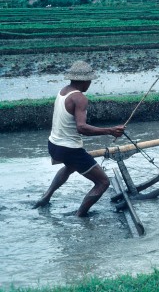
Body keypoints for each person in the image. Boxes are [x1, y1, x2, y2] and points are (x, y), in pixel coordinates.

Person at [33, 60, 125, 217]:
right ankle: (80, 215)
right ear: (84, 81)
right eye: (89, 81)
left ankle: (45, 197)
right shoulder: (80, 98)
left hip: (54, 144)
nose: (90, 84)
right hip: (70, 149)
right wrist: (110, 130)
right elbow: (81, 128)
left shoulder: (63, 91)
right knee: (103, 182)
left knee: (70, 167)